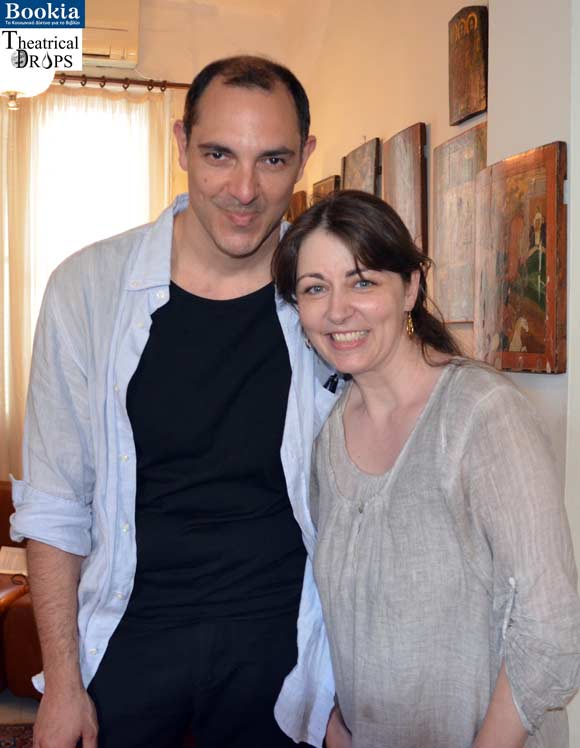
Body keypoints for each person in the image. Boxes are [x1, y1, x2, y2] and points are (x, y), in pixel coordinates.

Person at [11, 56, 341, 748]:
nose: (244, 190)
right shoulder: (88, 289)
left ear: (305, 156)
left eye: (272, 159)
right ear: (182, 143)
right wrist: (62, 684)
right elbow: (55, 502)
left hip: (281, 646)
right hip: (130, 634)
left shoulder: (332, 298)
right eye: (219, 155)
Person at [272, 189, 580, 748]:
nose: (337, 310)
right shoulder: (326, 437)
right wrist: (334, 720)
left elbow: (551, 630)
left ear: (411, 287)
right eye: (315, 288)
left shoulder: (481, 415)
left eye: (362, 282)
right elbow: (342, 614)